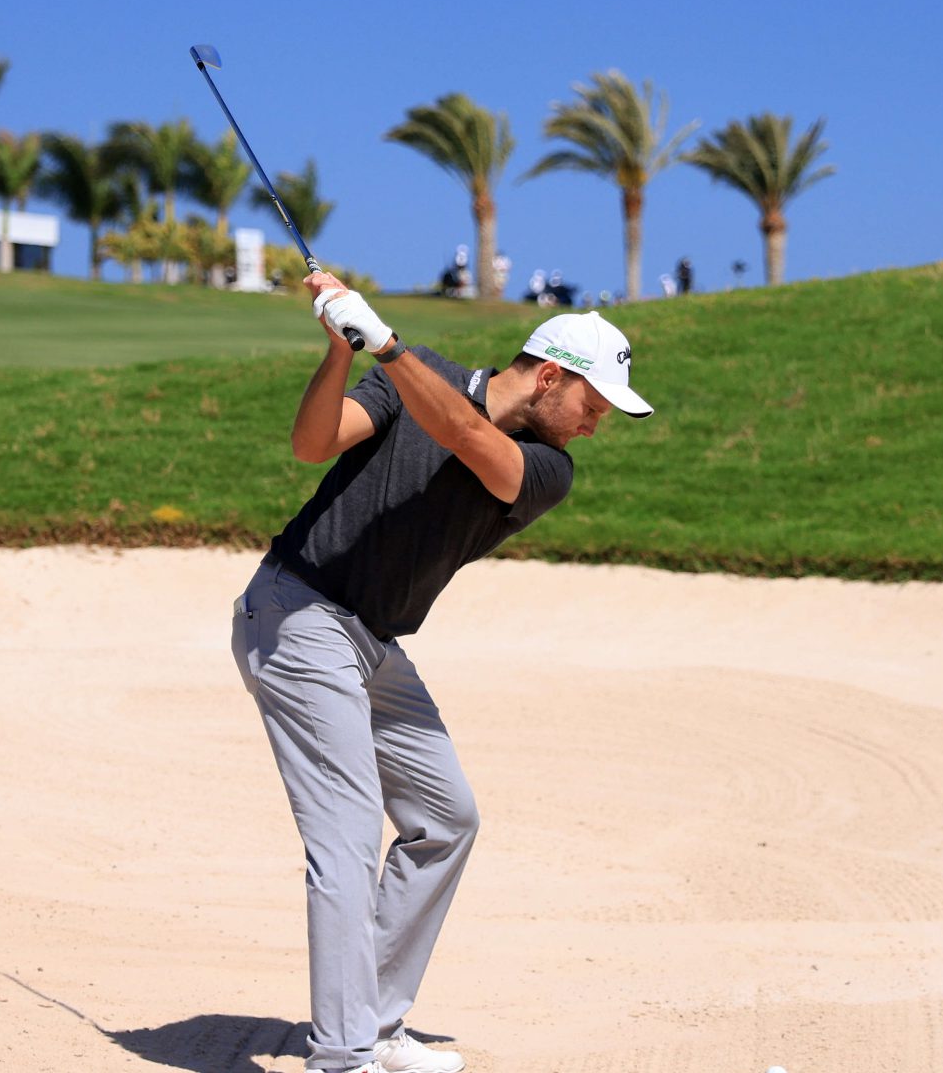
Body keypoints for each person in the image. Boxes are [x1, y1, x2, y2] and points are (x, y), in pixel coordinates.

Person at [230, 271, 654, 1073]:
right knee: (349, 841)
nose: (597, 426)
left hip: (375, 643)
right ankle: (344, 1055)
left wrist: (384, 347)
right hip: (296, 613)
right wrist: (338, 351)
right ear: (552, 376)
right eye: (594, 406)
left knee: (446, 818)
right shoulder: (411, 374)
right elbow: (313, 445)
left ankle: (375, 1022)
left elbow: (466, 437)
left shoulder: (545, 466)